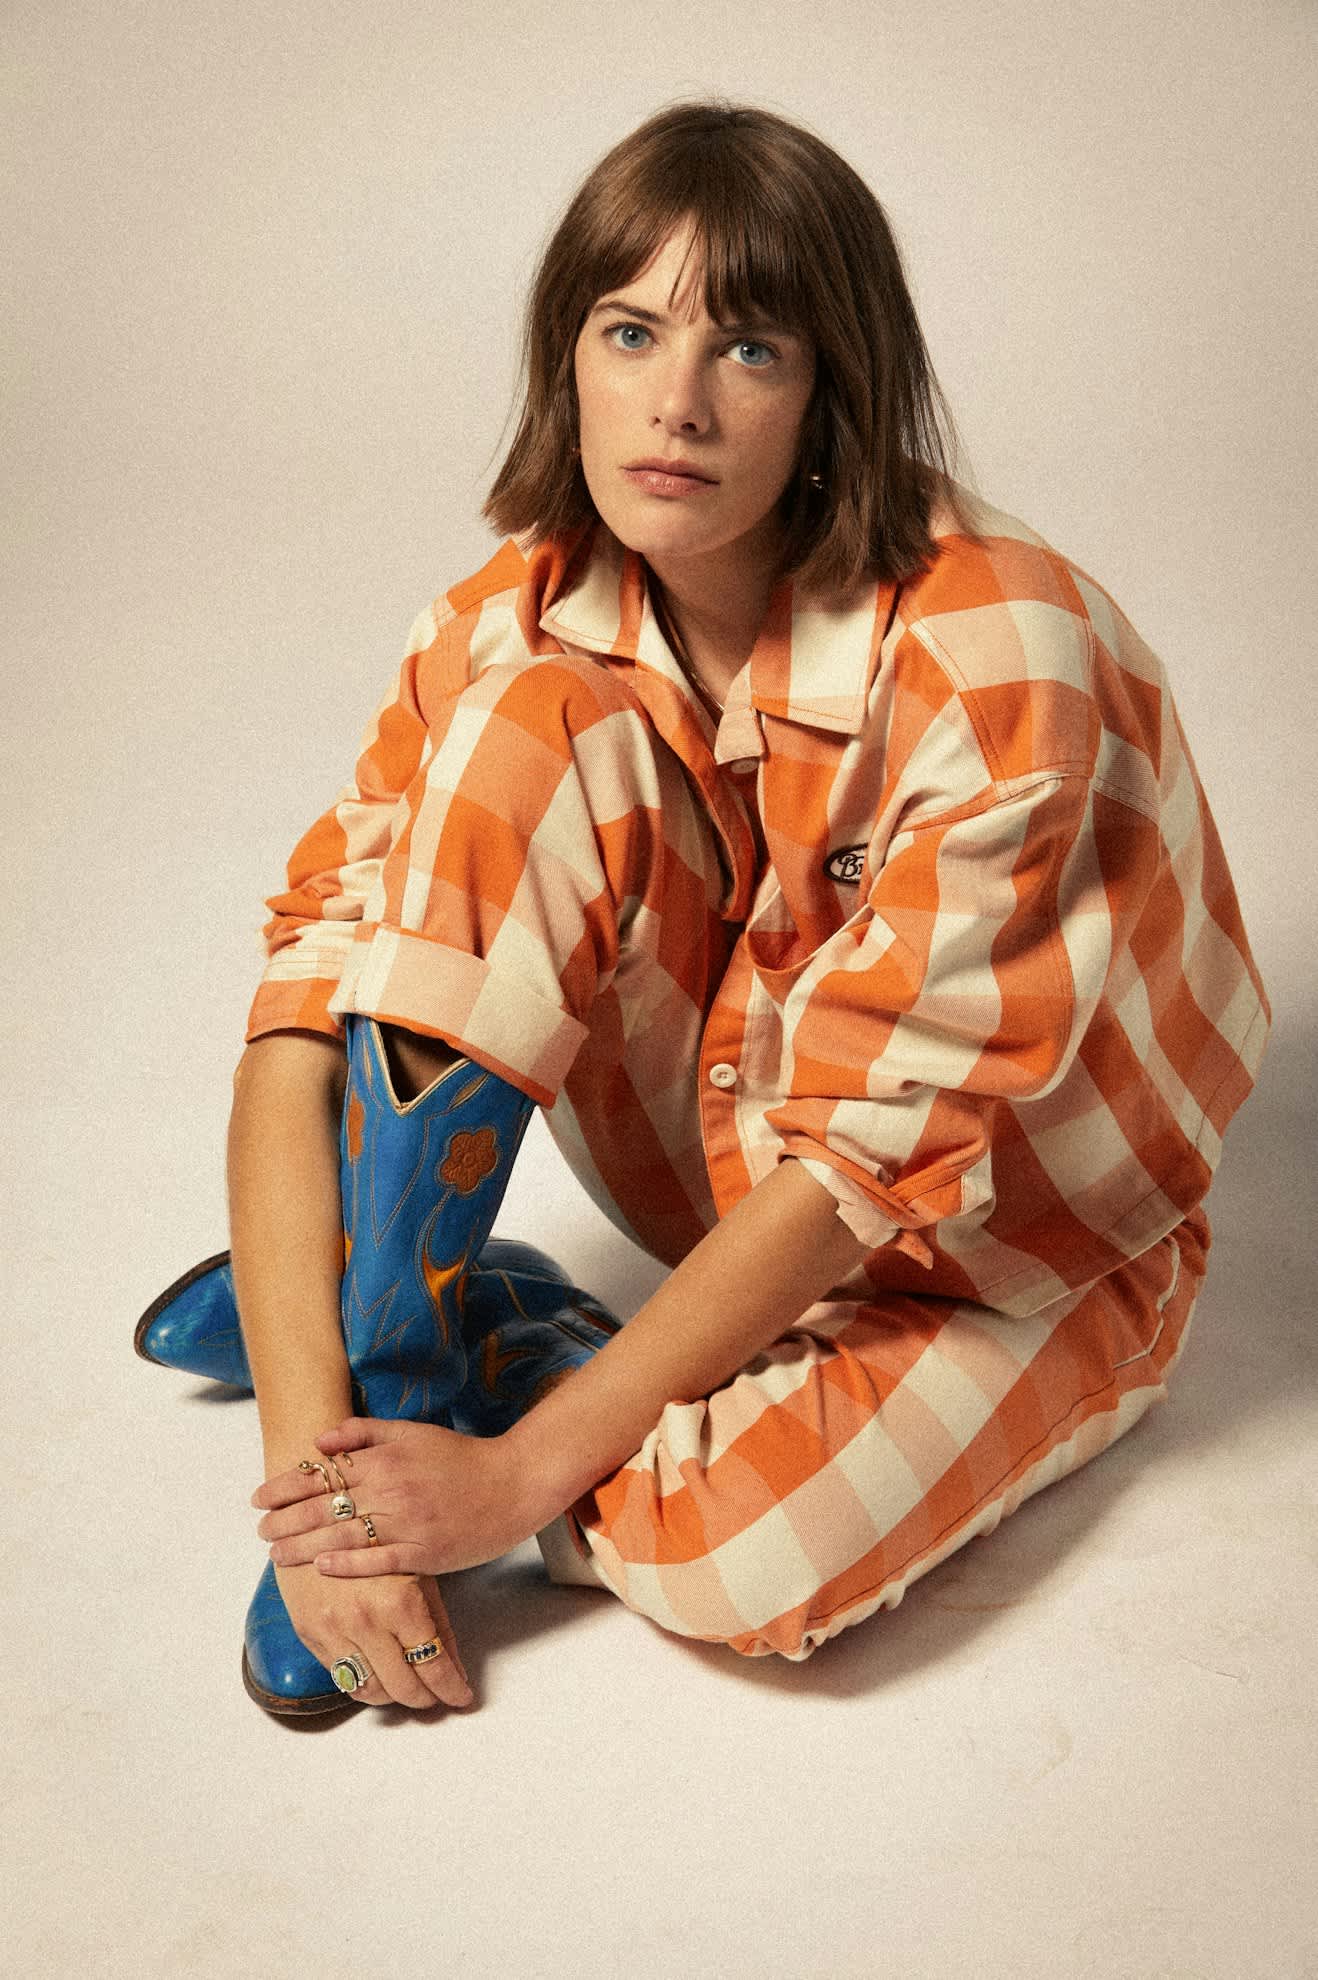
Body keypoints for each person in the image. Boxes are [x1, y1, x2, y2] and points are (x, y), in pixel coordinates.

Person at [137, 99, 1271, 1720]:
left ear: (830, 390)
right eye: (629, 331)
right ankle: (405, 1362)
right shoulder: (509, 619)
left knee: (725, 1566)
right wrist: (325, 1488)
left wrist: (517, 1480)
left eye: (748, 348)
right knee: (521, 723)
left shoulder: (995, 655)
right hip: (726, 1182)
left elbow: (863, 1167)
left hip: (1005, 1245)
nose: (675, 402)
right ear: (567, 360)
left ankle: (514, 1346)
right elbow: (311, 1006)